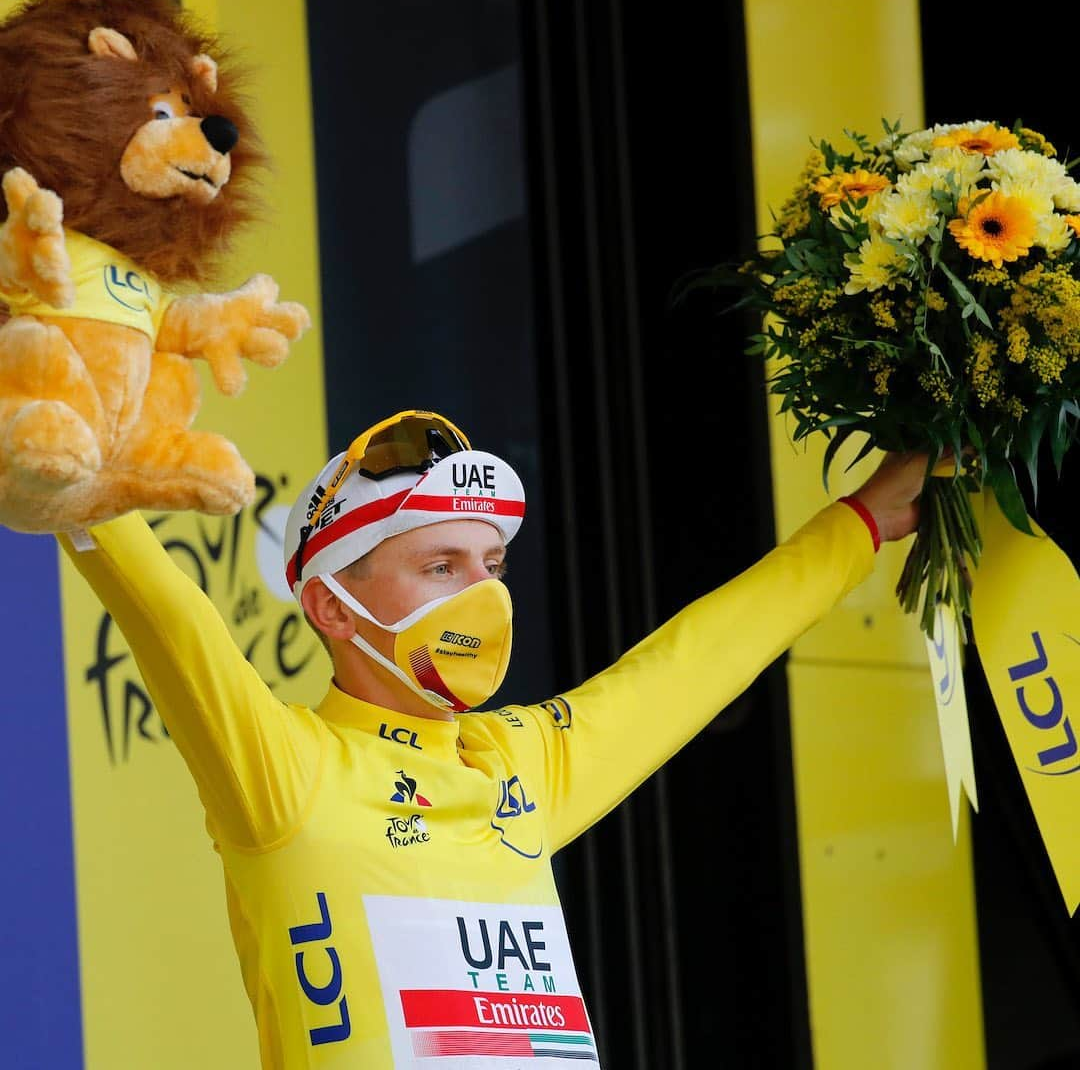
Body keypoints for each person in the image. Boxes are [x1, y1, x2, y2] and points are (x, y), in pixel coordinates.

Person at [60, 407, 934, 1069]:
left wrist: (857, 524)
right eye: (441, 567)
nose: (483, 595)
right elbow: (170, 620)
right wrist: (70, 454)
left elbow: (698, 659)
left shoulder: (518, 760)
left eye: (491, 566)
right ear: (331, 605)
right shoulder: (285, 772)